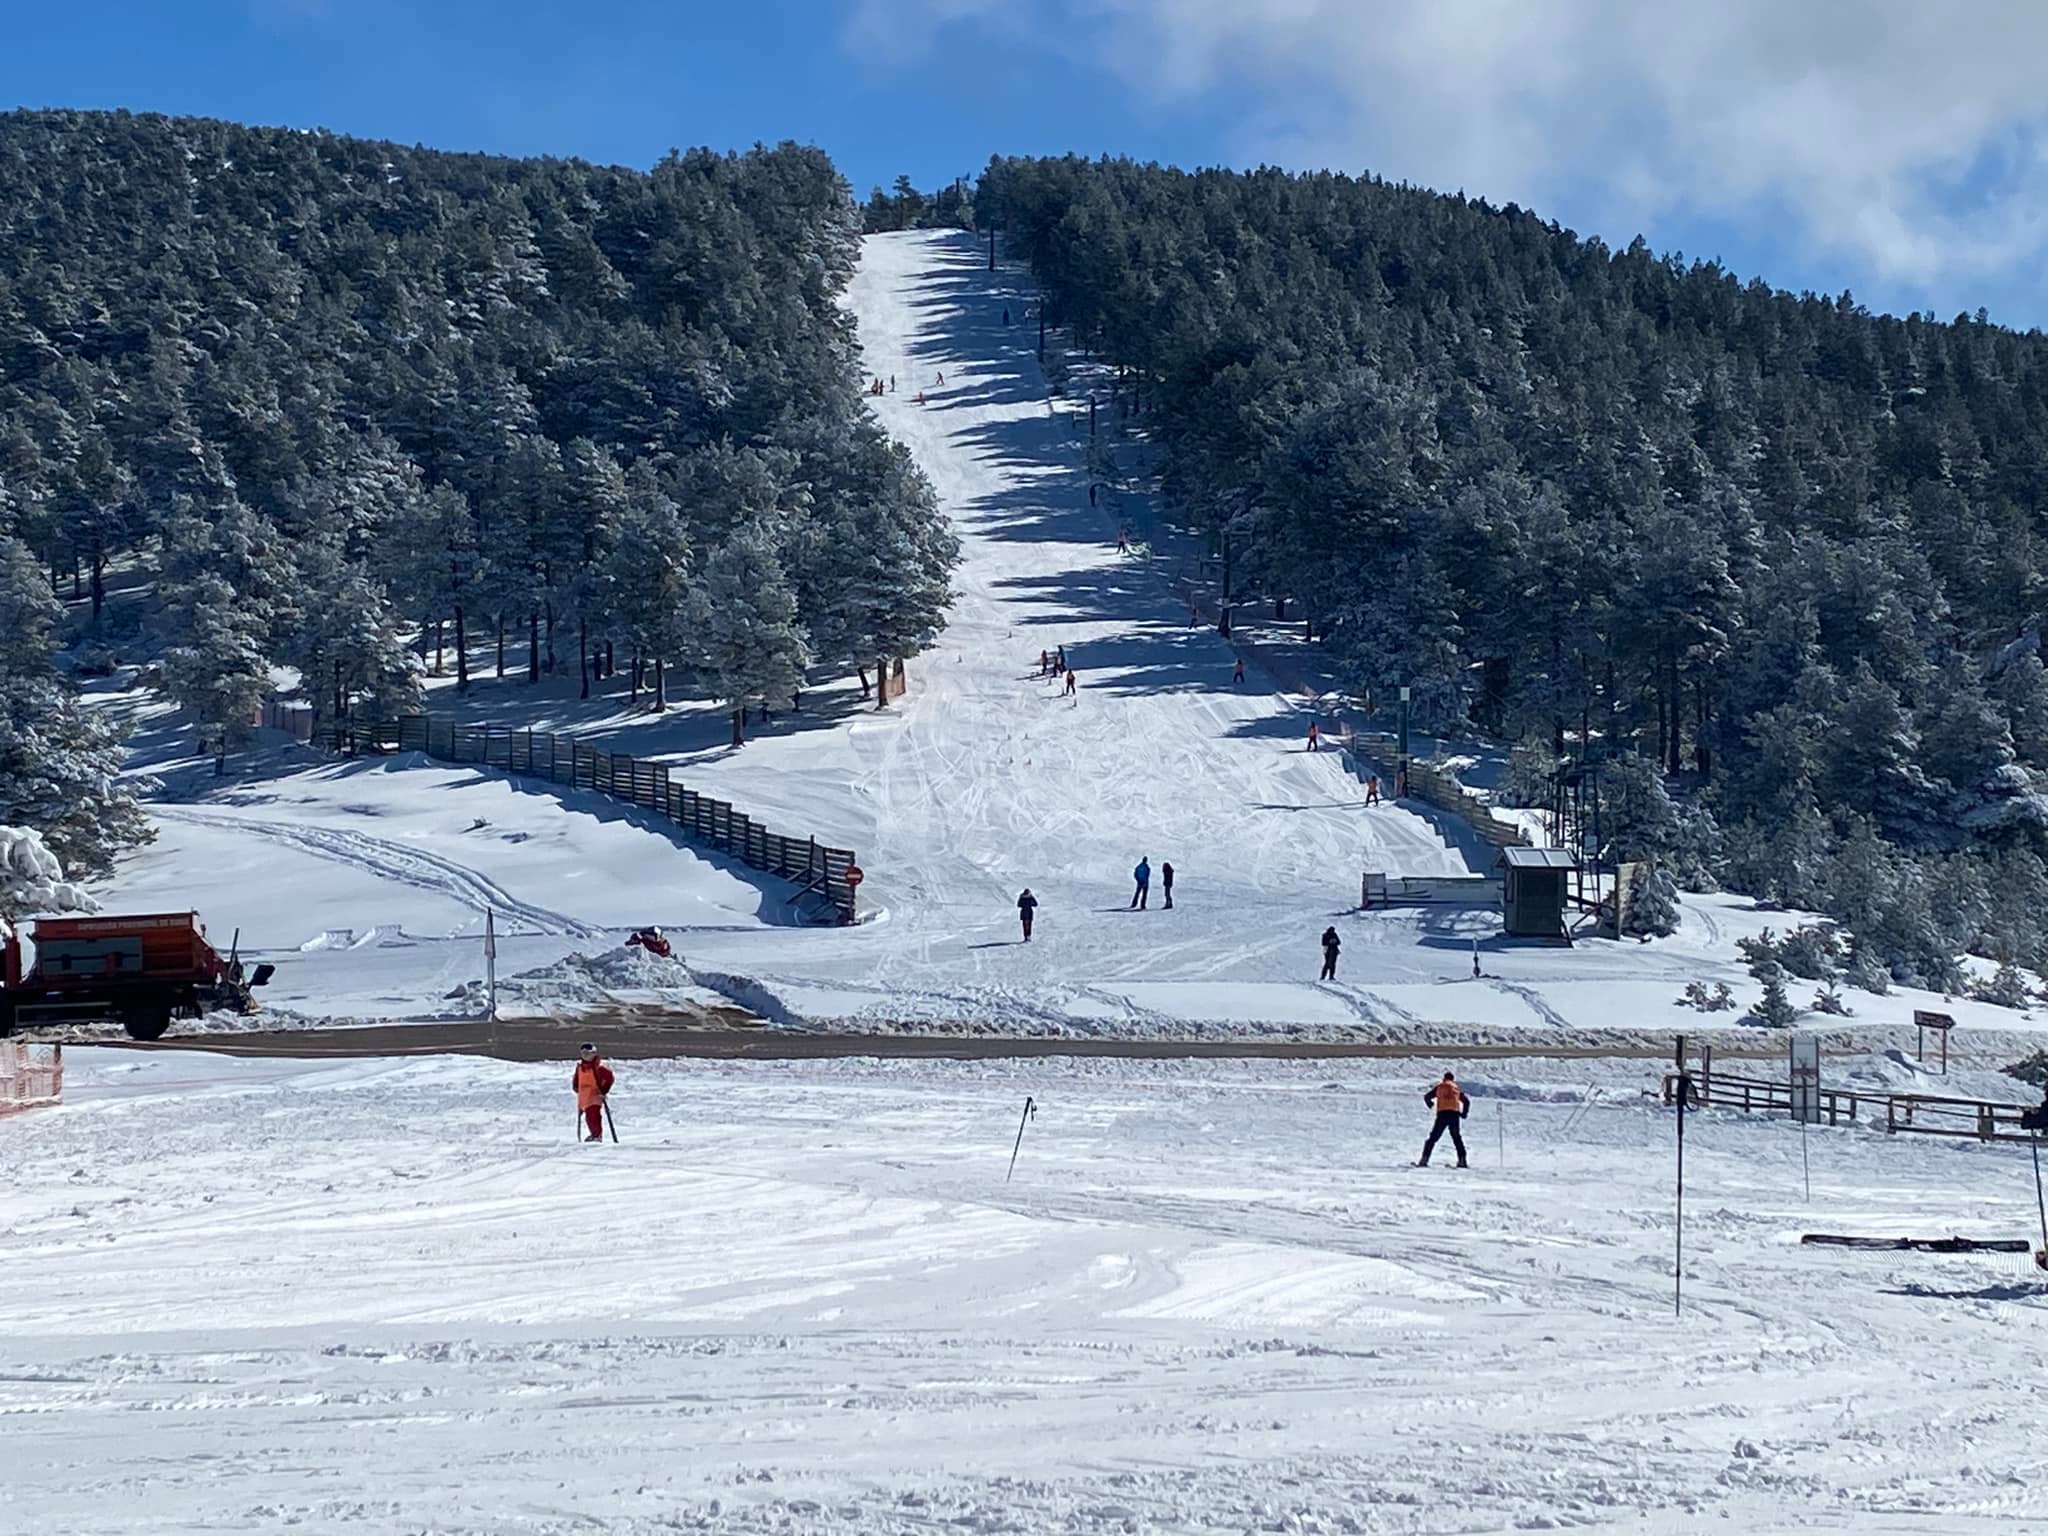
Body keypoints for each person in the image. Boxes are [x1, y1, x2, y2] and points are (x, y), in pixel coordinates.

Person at [1418, 1072, 1471, 1168]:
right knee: (1457, 1138)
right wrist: (1464, 1114)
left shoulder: (1440, 1087)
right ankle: (1462, 1161)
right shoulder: (1455, 1087)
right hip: (1454, 1115)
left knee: (1433, 1138)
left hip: (1442, 1114)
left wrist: (1430, 1105)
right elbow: (1466, 1101)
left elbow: (1427, 1097)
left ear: (1444, 1078)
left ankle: (1424, 1159)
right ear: (1452, 1079)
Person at [572, 1044, 614, 1143]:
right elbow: (577, 1079)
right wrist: (575, 1087)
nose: (585, 1055)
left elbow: (609, 1079)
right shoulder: (580, 1067)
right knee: (589, 1117)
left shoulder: (599, 1066)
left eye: (587, 1053)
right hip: (584, 1096)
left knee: (593, 1116)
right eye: (583, 1053)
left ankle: (596, 1135)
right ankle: (594, 1134)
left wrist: (604, 1091)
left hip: (595, 1095)